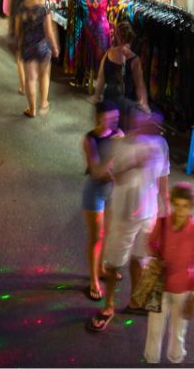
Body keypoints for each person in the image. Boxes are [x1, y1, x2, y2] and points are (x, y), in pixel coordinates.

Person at [90, 109, 170, 332]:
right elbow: (116, 177)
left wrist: (166, 208)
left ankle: (136, 301)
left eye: (155, 125)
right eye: (146, 123)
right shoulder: (120, 145)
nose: (151, 128)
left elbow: (163, 177)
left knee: (140, 258)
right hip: (125, 214)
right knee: (115, 262)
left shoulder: (161, 145)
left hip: (149, 213)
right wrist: (136, 164)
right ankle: (109, 305)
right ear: (136, 123)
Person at [143, 182, 194, 365]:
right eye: (177, 205)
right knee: (154, 328)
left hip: (182, 289)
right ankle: (151, 359)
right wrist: (156, 253)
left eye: (185, 206)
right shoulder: (163, 223)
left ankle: (175, 358)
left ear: (192, 206)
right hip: (159, 285)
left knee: (178, 330)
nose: (180, 210)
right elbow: (151, 242)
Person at [81, 102, 123, 302]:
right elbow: (97, 171)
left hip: (112, 191)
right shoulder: (90, 139)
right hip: (95, 191)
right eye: (109, 118)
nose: (113, 121)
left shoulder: (119, 133)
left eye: (115, 117)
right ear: (99, 117)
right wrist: (116, 151)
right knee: (96, 236)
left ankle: (102, 268)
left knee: (107, 233)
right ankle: (94, 279)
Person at [15, 0, 58, 118]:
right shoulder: (44, 9)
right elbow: (49, 33)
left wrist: (19, 43)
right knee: (44, 75)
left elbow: (17, 29)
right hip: (42, 47)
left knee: (30, 79)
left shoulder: (21, 7)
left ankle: (31, 109)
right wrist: (55, 47)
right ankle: (43, 103)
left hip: (27, 46)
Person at [95, 20, 148, 113]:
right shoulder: (134, 59)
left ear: (117, 36)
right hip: (125, 105)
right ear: (131, 38)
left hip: (108, 100)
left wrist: (97, 96)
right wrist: (144, 105)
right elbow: (140, 85)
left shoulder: (108, 54)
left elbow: (100, 79)